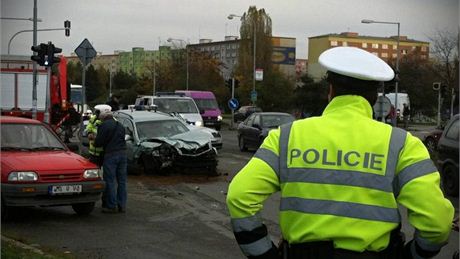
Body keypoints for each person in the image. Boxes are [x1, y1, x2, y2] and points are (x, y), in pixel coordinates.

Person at [226, 47, 454, 259]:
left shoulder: (285, 137)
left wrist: (264, 255)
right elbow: (437, 223)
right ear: (374, 98)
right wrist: (414, 254)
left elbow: (239, 197)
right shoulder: (402, 144)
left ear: (330, 90)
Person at [94, 108, 127, 213]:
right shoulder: (120, 125)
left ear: (103, 118)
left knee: (110, 181)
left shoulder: (104, 125)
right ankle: (122, 205)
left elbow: (98, 142)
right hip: (123, 154)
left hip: (111, 155)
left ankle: (111, 205)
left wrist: (93, 139)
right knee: (122, 181)